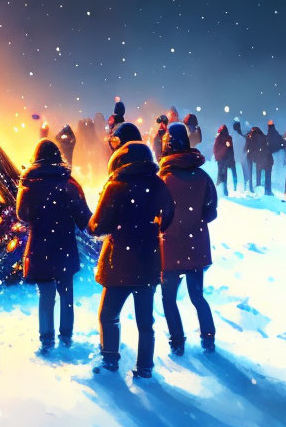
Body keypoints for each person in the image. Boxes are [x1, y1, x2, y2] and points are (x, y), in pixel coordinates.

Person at [89, 142, 174, 377]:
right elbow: (168, 216)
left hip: (119, 264)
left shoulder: (115, 187)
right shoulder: (157, 184)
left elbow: (97, 226)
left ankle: (110, 361)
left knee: (108, 315)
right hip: (148, 263)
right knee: (146, 322)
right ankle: (145, 367)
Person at [16, 139, 92, 353]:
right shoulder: (69, 184)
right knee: (66, 293)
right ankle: (66, 337)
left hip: (40, 247)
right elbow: (83, 218)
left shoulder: (30, 182)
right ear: (58, 156)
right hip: (64, 247)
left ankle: (46, 339)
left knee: (46, 295)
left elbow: (23, 215)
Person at [158, 122, 218, 355]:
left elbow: (157, 213)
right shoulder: (202, 176)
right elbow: (211, 211)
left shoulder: (163, 179)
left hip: (170, 248)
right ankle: (208, 338)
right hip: (196, 246)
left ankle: (177, 341)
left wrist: (169, 226)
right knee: (197, 296)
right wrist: (194, 221)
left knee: (169, 298)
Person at [245, 126, 273, 195]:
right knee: (266, 175)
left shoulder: (253, 137)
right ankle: (267, 190)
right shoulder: (263, 136)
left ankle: (257, 188)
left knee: (257, 173)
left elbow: (251, 147)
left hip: (259, 158)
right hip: (265, 158)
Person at [213, 125, 237, 196]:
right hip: (226, 158)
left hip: (220, 159)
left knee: (221, 174)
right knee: (225, 174)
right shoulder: (228, 138)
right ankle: (226, 191)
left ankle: (221, 190)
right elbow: (230, 149)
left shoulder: (218, 138)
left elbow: (215, 149)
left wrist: (217, 157)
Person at [232, 121, 250, 191]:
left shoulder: (232, 137)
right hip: (242, 157)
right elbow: (245, 148)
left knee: (235, 172)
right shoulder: (243, 138)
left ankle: (235, 187)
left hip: (234, 158)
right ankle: (246, 186)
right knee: (245, 171)